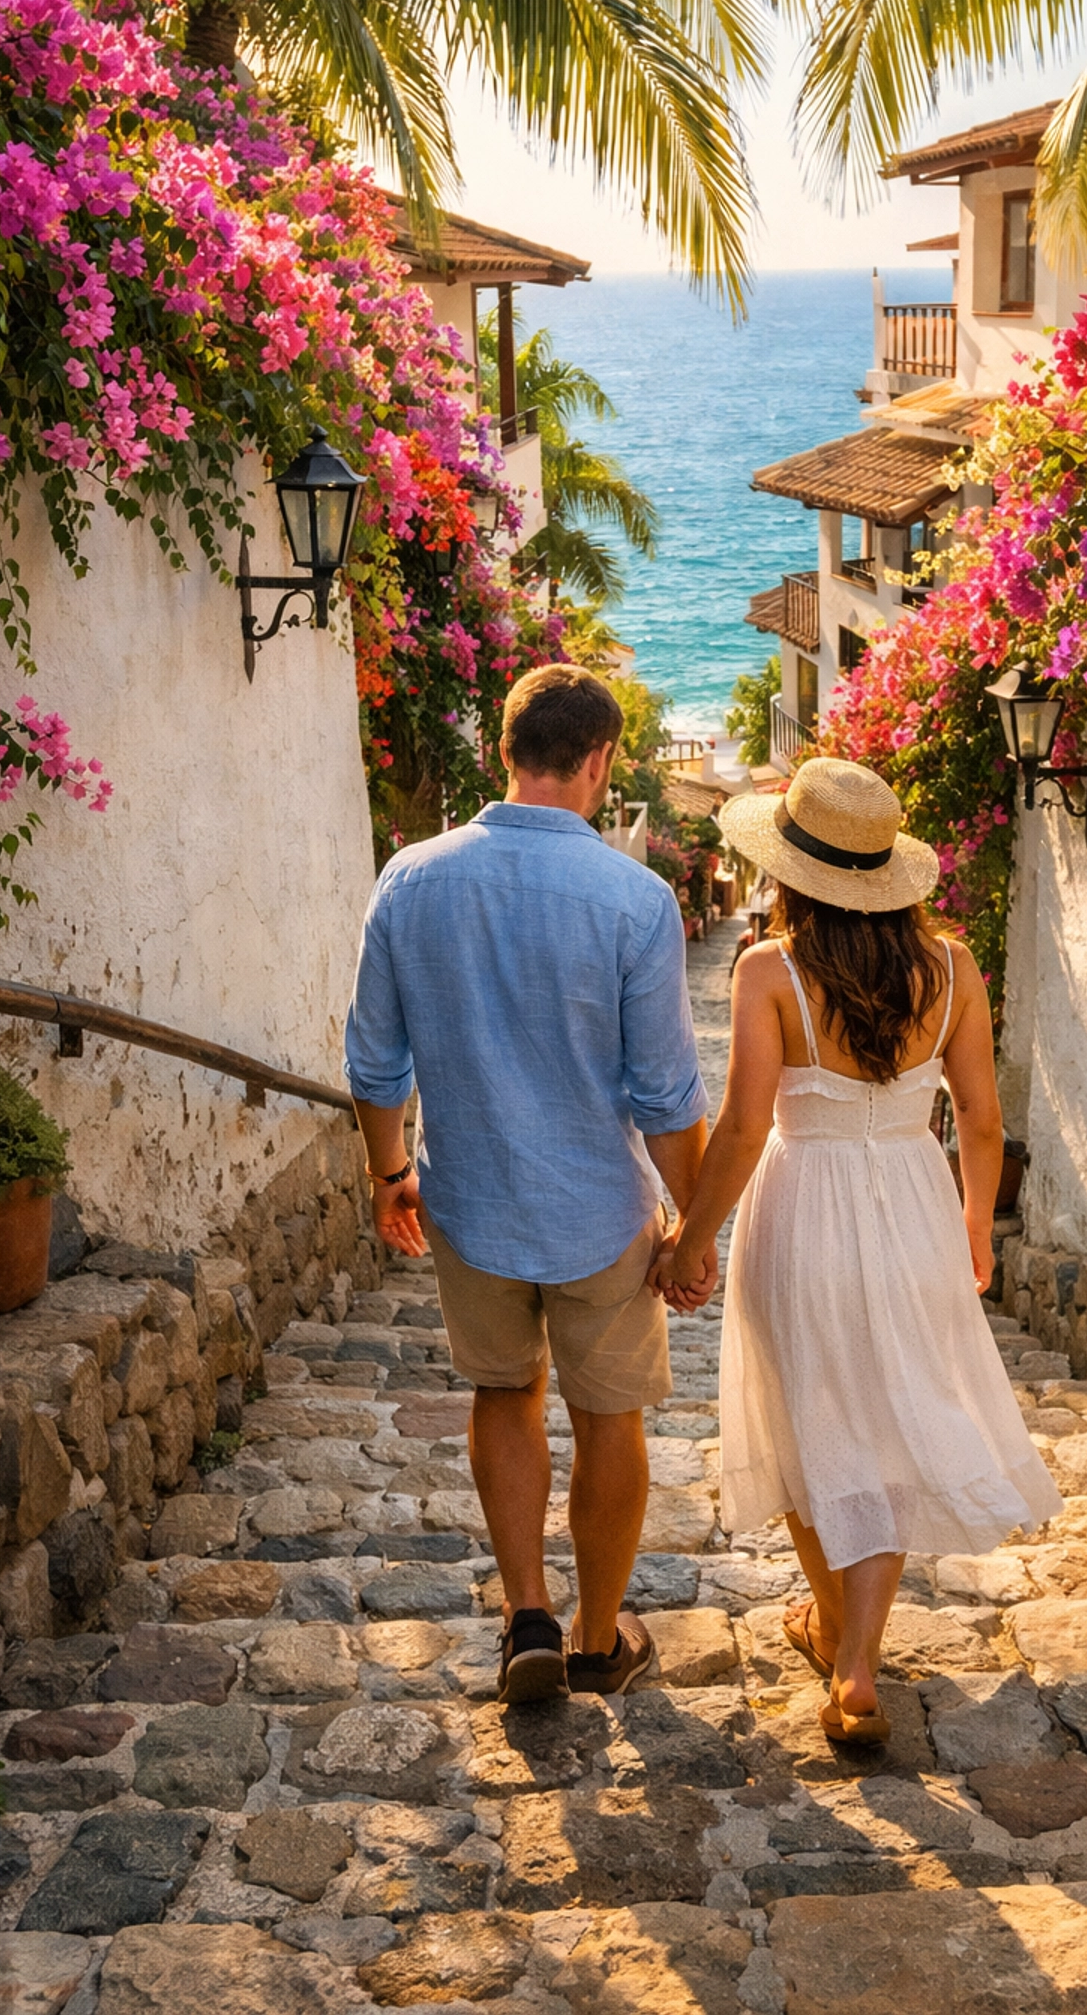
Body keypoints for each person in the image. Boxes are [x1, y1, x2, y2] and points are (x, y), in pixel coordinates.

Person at [658, 756, 1062, 1745]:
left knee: (806, 1423)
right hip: (915, 1209)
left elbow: (747, 1127)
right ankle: (854, 1659)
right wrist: (974, 1232)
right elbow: (979, 1117)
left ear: (793, 869)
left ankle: (842, 1640)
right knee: (881, 1434)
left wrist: (690, 1239)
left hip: (802, 1208)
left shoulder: (770, 970)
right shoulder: (954, 967)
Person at [344, 664, 709, 1703]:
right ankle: (598, 1636)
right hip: (601, 1214)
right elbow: (667, 1094)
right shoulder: (638, 902)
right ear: (598, 763)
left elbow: (374, 1064)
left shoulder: (410, 879)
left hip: (472, 1202)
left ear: (502, 750)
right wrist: (694, 1222)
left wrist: (389, 1172)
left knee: (503, 1395)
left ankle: (526, 1614)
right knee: (609, 1419)